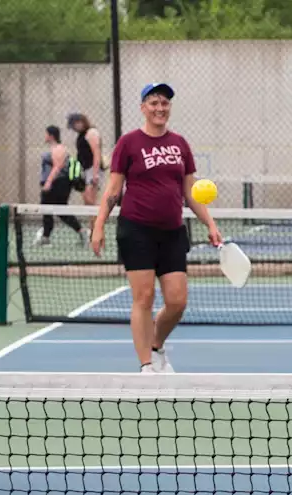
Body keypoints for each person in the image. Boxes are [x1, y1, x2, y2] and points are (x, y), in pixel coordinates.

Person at [89, 83, 223, 373]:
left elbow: (190, 192)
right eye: (153, 103)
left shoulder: (180, 144)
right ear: (142, 108)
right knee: (144, 297)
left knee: (177, 301)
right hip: (136, 229)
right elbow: (113, 189)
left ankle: (156, 345)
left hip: (173, 232)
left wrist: (210, 223)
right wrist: (98, 225)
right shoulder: (129, 143)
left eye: (164, 103)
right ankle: (146, 366)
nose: (160, 108)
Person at [36, 125, 86, 246]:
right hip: (57, 184)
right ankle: (81, 232)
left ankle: (46, 237)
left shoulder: (58, 149)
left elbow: (57, 167)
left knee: (48, 207)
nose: (45, 136)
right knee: (59, 210)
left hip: (58, 184)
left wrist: (48, 183)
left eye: (46, 134)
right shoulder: (54, 148)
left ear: (51, 135)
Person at [68, 112, 104, 206]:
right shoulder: (81, 135)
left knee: (90, 198)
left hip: (93, 169)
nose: (74, 128)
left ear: (80, 122)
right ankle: (93, 220)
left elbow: (96, 153)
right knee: (87, 201)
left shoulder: (91, 132)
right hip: (85, 169)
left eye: (74, 124)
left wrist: (95, 174)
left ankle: (98, 220)